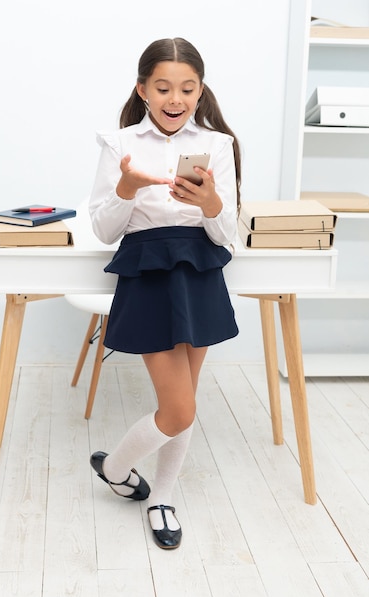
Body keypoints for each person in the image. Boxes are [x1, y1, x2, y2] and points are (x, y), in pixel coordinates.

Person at [88, 37, 241, 550]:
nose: (175, 98)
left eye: (187, 88)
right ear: (143, 89)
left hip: (199, 268)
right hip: (149, 269)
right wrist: (127, 189)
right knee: (177, 410)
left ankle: (161, 499)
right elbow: (106, 231)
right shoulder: (120, 143)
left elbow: (227, 234)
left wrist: (213, 201)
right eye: (163, 87)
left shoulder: (218, 143)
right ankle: (116, 466)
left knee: (187, 404)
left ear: (199, 92)